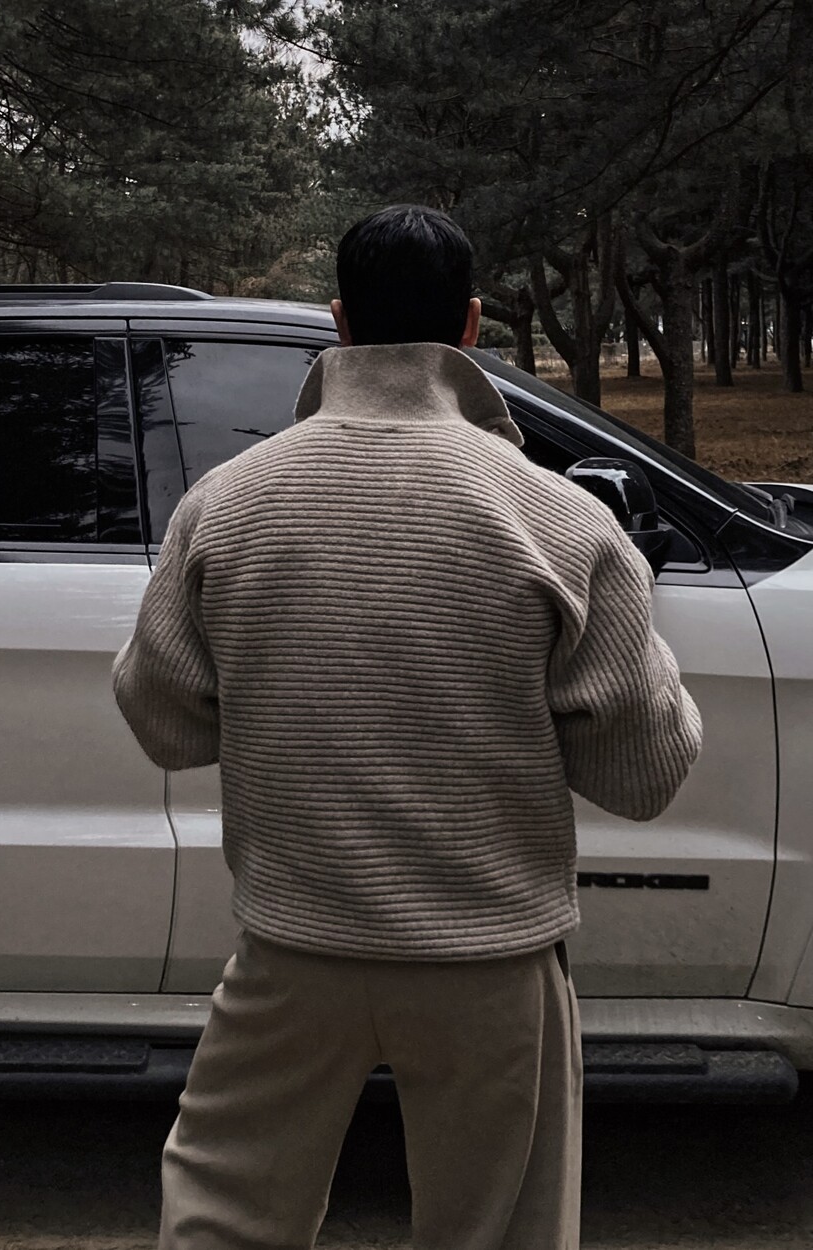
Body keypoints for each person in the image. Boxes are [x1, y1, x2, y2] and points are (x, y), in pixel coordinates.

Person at [112, 204, 702, 1250]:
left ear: (339, 322)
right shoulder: (560, 519)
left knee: (222, 1208)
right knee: (498, 1229)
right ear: (471, 325)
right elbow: (642, 774)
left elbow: (166, 725)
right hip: (493, 960)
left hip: (292, 945)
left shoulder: (225, 503)